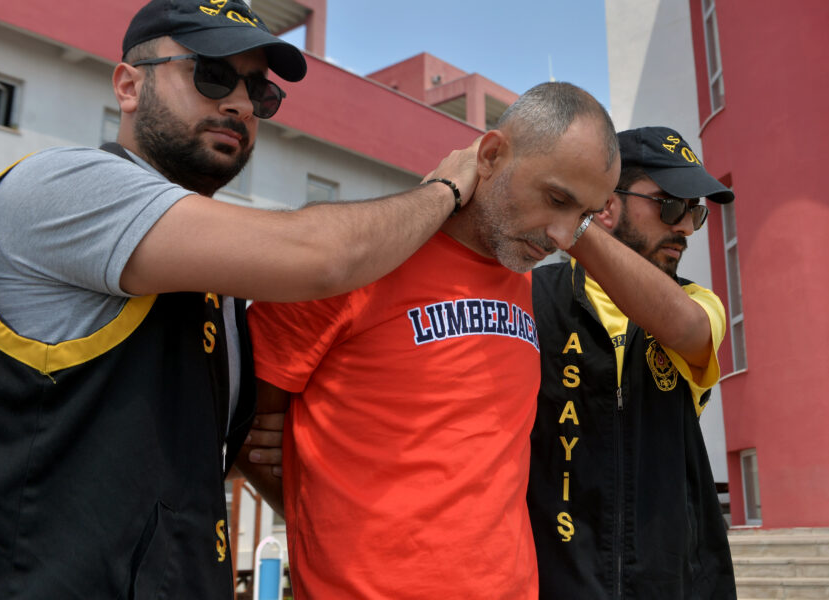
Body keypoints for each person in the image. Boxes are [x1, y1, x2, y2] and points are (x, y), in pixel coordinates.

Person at [0, 0, 479, 597]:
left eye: (260, 91)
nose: (242, 105)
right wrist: (445, 189)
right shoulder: (62, 188)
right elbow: (323, 256)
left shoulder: (215, 269)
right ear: (128, 86)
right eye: (212, 75)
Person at [239, 81, 620, 599]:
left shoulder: (520, 272)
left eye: (583, 216)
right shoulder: (364, 257)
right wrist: (326, 513)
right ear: (490, 155)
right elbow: (243, 422)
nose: (561, 235)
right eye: (556, 199)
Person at [526, 126, 738, 598]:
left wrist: (572, 222)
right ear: (607, 206)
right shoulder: (529, 300)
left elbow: (684, 329)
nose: (686, 228)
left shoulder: (698, 304)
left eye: (695, 212)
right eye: (670, 205)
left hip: (673, 586)